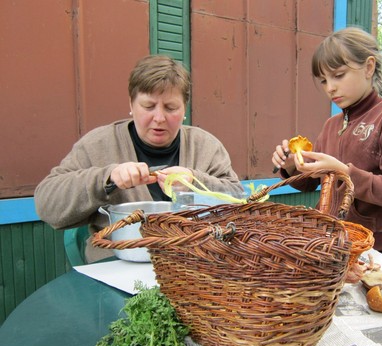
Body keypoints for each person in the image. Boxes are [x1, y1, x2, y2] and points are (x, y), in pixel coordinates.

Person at [35, 54, 243, 262]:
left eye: (171, 108)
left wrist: (196, 183)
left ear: (184, 109)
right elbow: (47, 205)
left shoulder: (206, 146)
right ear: (131, 104)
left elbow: (240, 202)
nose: (159, 118)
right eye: (148, 106)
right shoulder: (97, 145)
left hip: (195, 267)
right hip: (116, 265)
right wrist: (107, 179)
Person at [272, 27, 382, 253]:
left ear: (368, 67)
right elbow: (311, 182)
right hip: (332, 241)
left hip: (376, 247)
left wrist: (344, 173)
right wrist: (291, 166)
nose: (330, 87)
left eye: (338, 75)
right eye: (323, 81)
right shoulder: (332, 124)